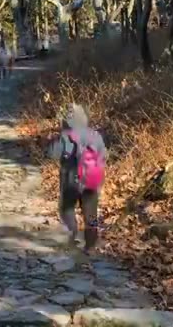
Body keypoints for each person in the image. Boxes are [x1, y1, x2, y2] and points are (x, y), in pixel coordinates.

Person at [48, 104, 107, 252]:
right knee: (91, 214)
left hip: (70, 181)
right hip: (91, 182)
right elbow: (103, 156)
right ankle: (91, 245)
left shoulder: (66, 136)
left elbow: (52, 154)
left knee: (66, 208)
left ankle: (72, 232)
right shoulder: (95, 135)